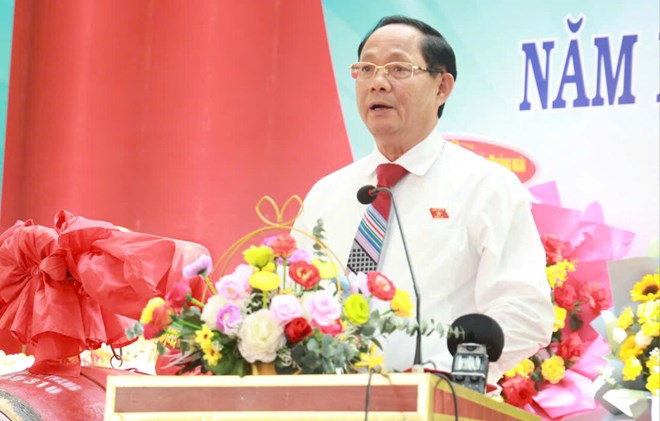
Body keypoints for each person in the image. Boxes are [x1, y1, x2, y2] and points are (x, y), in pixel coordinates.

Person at [292, 15, 554, 382]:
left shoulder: (487, 186)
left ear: (442, 87)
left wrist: (445, 375)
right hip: (330, 400)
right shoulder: (327, 194)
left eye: (398, 68)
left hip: (436, 400)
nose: (377, 82)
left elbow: (526, 311)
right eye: (366, 68)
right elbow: (290, 300)